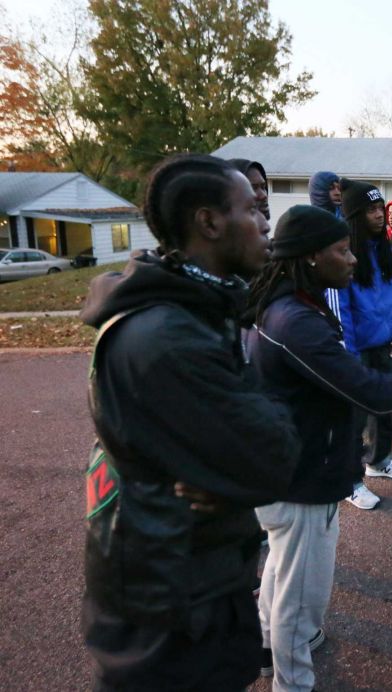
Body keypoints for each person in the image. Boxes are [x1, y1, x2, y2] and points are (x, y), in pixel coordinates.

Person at [80, 154, 302, 690]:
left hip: (191, 573)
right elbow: (275, 454)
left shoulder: (200, 308)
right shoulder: (168, 337)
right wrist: (239, 470)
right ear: (209, 222)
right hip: (169, 601)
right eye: (253, 208)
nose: (267, 220)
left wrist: (228, 478)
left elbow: (253, 444)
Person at [246, 204, 392, 691]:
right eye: (341, 250)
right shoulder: (296, 320)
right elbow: (375, 393)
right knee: (300, 597)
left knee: (280, 573)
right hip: (301, 482)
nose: (353, 258)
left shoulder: (294, 306)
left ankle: (271, 647)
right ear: (310, 257)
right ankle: (291, 682)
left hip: (296, 469)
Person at [341, 179, 392, 510]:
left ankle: (379, 461)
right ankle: (351, 482)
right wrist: (350, 355)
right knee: (353, 419)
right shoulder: (345, 255)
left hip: (385, 345)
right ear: (355, 215)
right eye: (370, 210)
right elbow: (341, 310)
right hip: (357, 352)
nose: (379, 215)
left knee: (384, 409)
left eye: (379, 208)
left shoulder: (384, 249)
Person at [309, 170, 355, 353]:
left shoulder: (342, 218)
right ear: (319, 191)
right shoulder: (315, 222)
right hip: (329, 291)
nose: (337, 192)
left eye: (338, 187)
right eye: (331, 188)